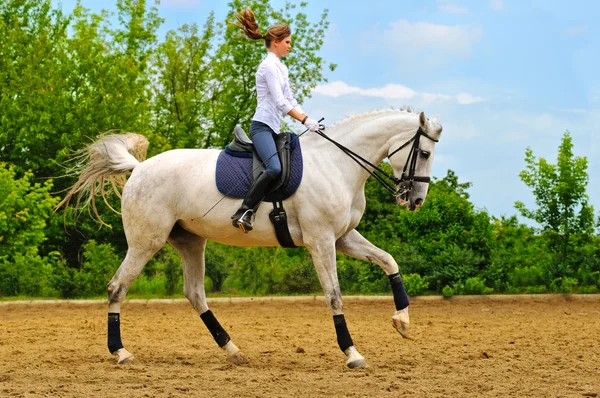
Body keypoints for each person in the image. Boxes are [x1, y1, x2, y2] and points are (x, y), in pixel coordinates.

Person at [229, 8, 324, 233]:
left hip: (273, 128)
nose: (290, 46)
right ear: (276, 42)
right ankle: (244, 210)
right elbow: (281, 103)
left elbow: (290, 98)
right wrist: (303, 121)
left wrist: (309, 119)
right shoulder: (269, 66)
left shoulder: (282, 67)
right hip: (261, 126)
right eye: (288, 42)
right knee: (273, 168)